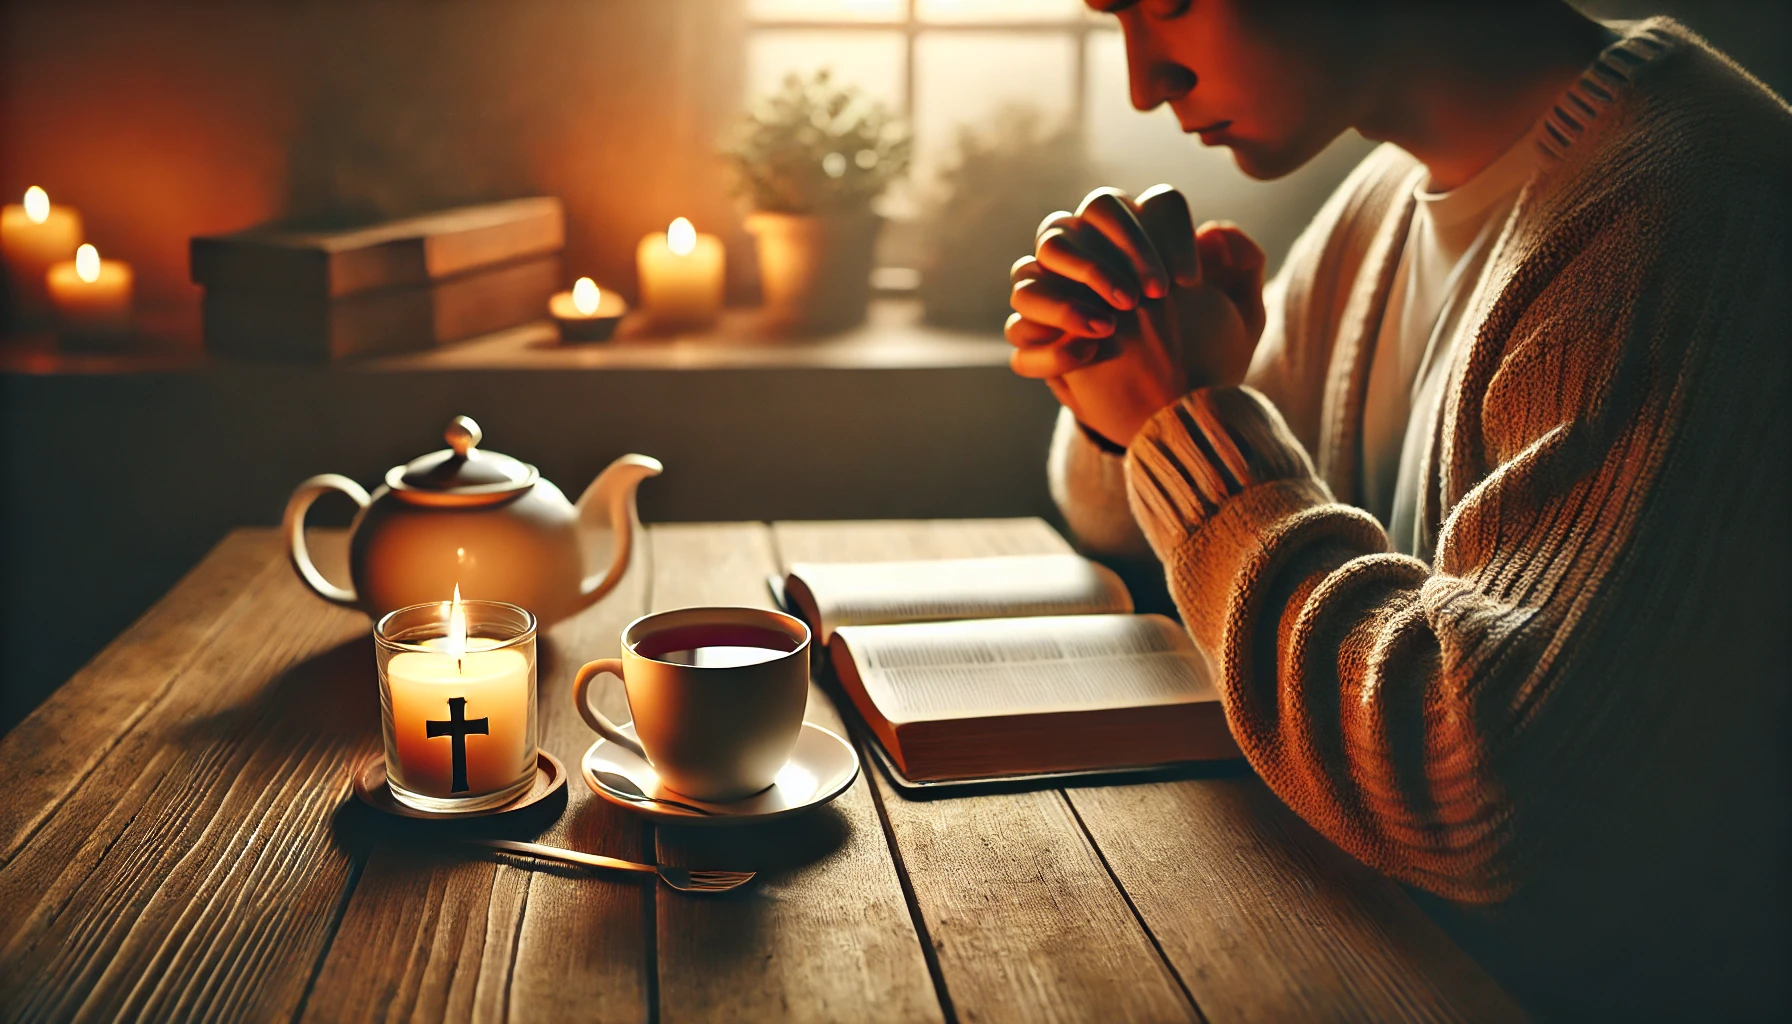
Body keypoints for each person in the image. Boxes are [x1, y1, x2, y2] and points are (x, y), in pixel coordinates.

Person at [1008, 0, 1790, 1017]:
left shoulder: (1688, 210)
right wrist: (1125, 395)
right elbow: (1137, 523)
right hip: (1366, 948)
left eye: (1166, 5)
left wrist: (1185, 415)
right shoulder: (1385, 199)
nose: (1142, 83)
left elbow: (1486, 793)